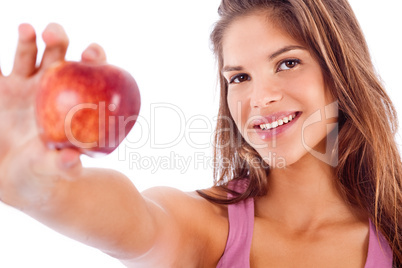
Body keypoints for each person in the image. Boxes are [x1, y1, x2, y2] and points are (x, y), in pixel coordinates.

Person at [0, 0, 400, 267]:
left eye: (288, 63)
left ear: (341, 68)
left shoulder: (394, 228)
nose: (259, 98)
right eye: (239, 77)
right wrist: (36, 188)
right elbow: (137, 220)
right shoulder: (209, 227)